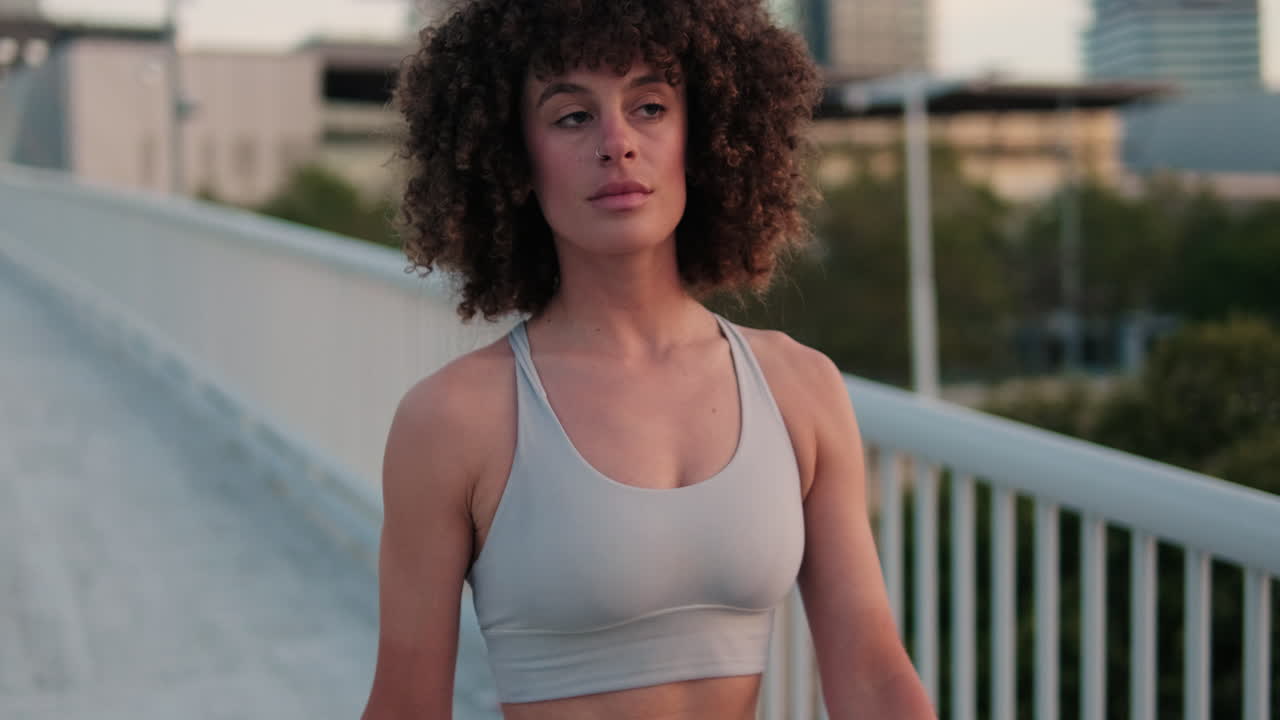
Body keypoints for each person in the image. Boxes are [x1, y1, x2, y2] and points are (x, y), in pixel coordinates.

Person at [361, 1, 934, 718]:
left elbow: (873, 678)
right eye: (572, 115)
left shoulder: (800, 387)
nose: (617, 142)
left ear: (705, 133)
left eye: (651, 105)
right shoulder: (453, 420)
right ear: (513, 157)